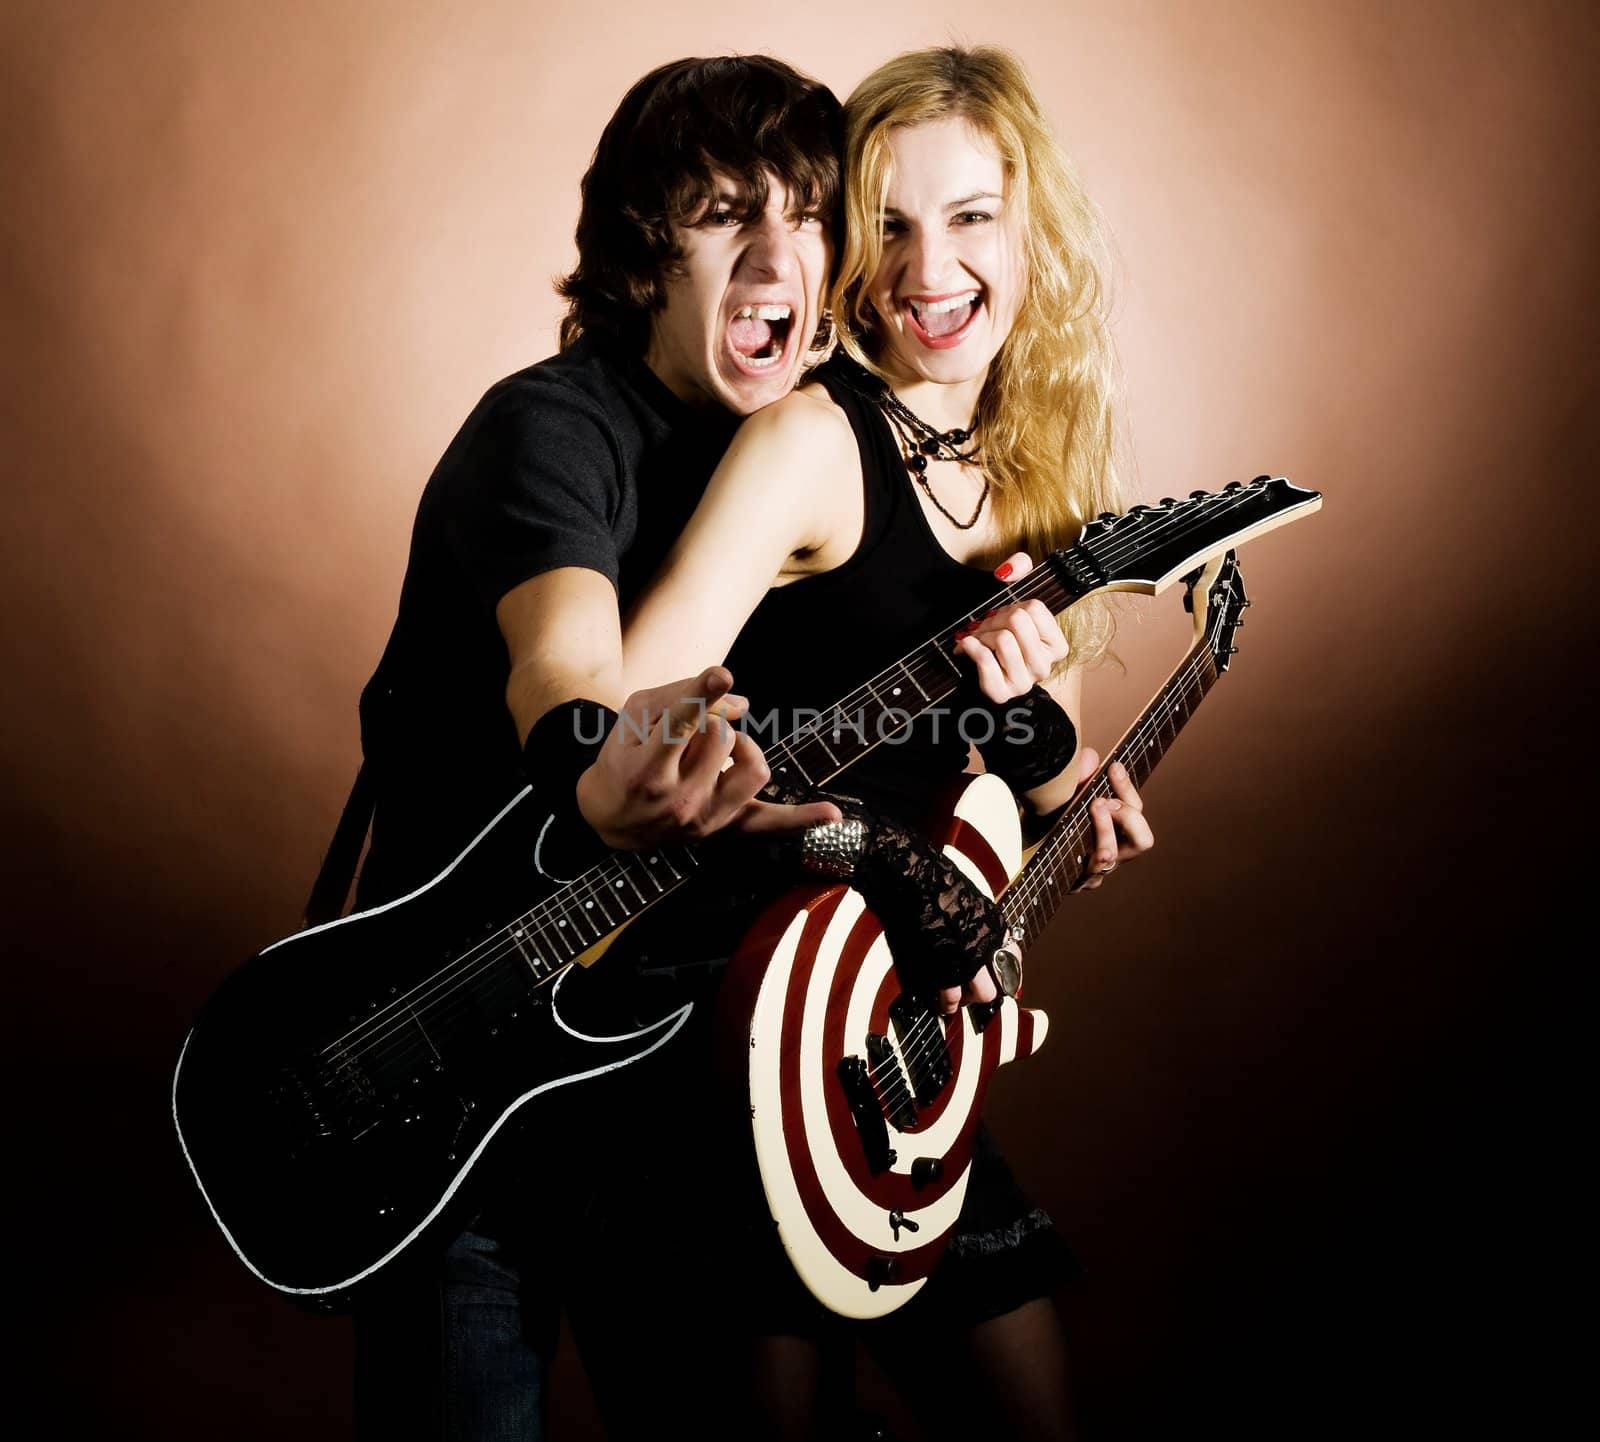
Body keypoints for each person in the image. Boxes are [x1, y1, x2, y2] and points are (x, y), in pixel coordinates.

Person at [619, 44, 1155, 1440]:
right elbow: (619, 723)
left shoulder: (1035, 483)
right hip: (744, 1043)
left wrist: (1079, 800)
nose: (932, 267)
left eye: (972, 216)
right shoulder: (811, 440)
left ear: (1028, 228)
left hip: (893, 1046)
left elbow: (1025, 794)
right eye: (894, 224)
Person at [345, 56, 849, 1441]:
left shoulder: (794, 460)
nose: (775, 251)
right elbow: (564, 667)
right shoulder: (552, 429)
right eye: (724, 212)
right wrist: (597, 766)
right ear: (643, 252)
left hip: (653, 1088)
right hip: (460, 1081)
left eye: (807, 214)